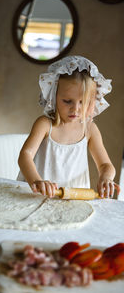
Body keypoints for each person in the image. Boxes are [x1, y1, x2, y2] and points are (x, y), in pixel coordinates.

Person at [17, 55, 120, 199]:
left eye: (83, 102)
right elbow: (25, 156)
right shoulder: (45, 125)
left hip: (74, 198)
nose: (75, 109)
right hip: (39, 196)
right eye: (67, 101)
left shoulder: (89, 130)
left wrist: (106, 177)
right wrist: (37, 181)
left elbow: (105, 165)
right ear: (53, 96)